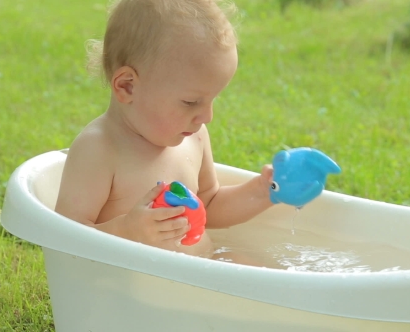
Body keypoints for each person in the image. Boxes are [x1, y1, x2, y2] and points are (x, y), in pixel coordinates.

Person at [55, 0, 274, 259]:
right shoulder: (100, 149)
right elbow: (63, 237)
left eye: (213, 99)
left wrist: (262, 192)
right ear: (127, 86)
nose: (207, 116)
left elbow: (210, 205)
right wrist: (126, 231)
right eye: (191, 102)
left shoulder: (193, 138)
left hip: (199, 278)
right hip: (125, 291)